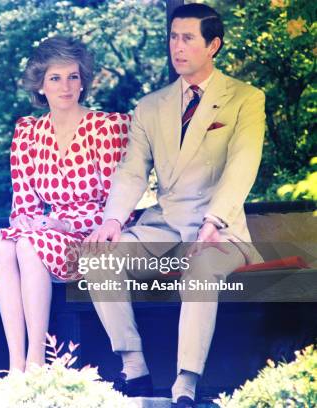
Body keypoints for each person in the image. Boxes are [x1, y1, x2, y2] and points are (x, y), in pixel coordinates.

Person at [85, 4, 265, 407]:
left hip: (221, 228)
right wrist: (113, 219)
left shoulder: (245, 98)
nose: (177, 47)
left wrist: (214, 221)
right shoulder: (151, 106)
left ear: (213, 45)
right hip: (164, 226)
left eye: (187, 38)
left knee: (200, 267)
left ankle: (185, 386)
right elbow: (132, 170)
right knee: (99, 256)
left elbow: (243, 164)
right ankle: (134, 370)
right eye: (172, 37)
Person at [0, 36, 130, 373]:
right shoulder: (27, 133)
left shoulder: (107, 127)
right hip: (49, 235)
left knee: (28, 245)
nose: (65, 86)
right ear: (40, 85)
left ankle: (36, 361)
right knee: (4, 244)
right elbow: (23, 204)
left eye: (73, 76)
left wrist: (63, 225)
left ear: (83, 81)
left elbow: (118, 206)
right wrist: (28, 222)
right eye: (55, 78)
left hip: (97, 237)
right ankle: (15, 366)